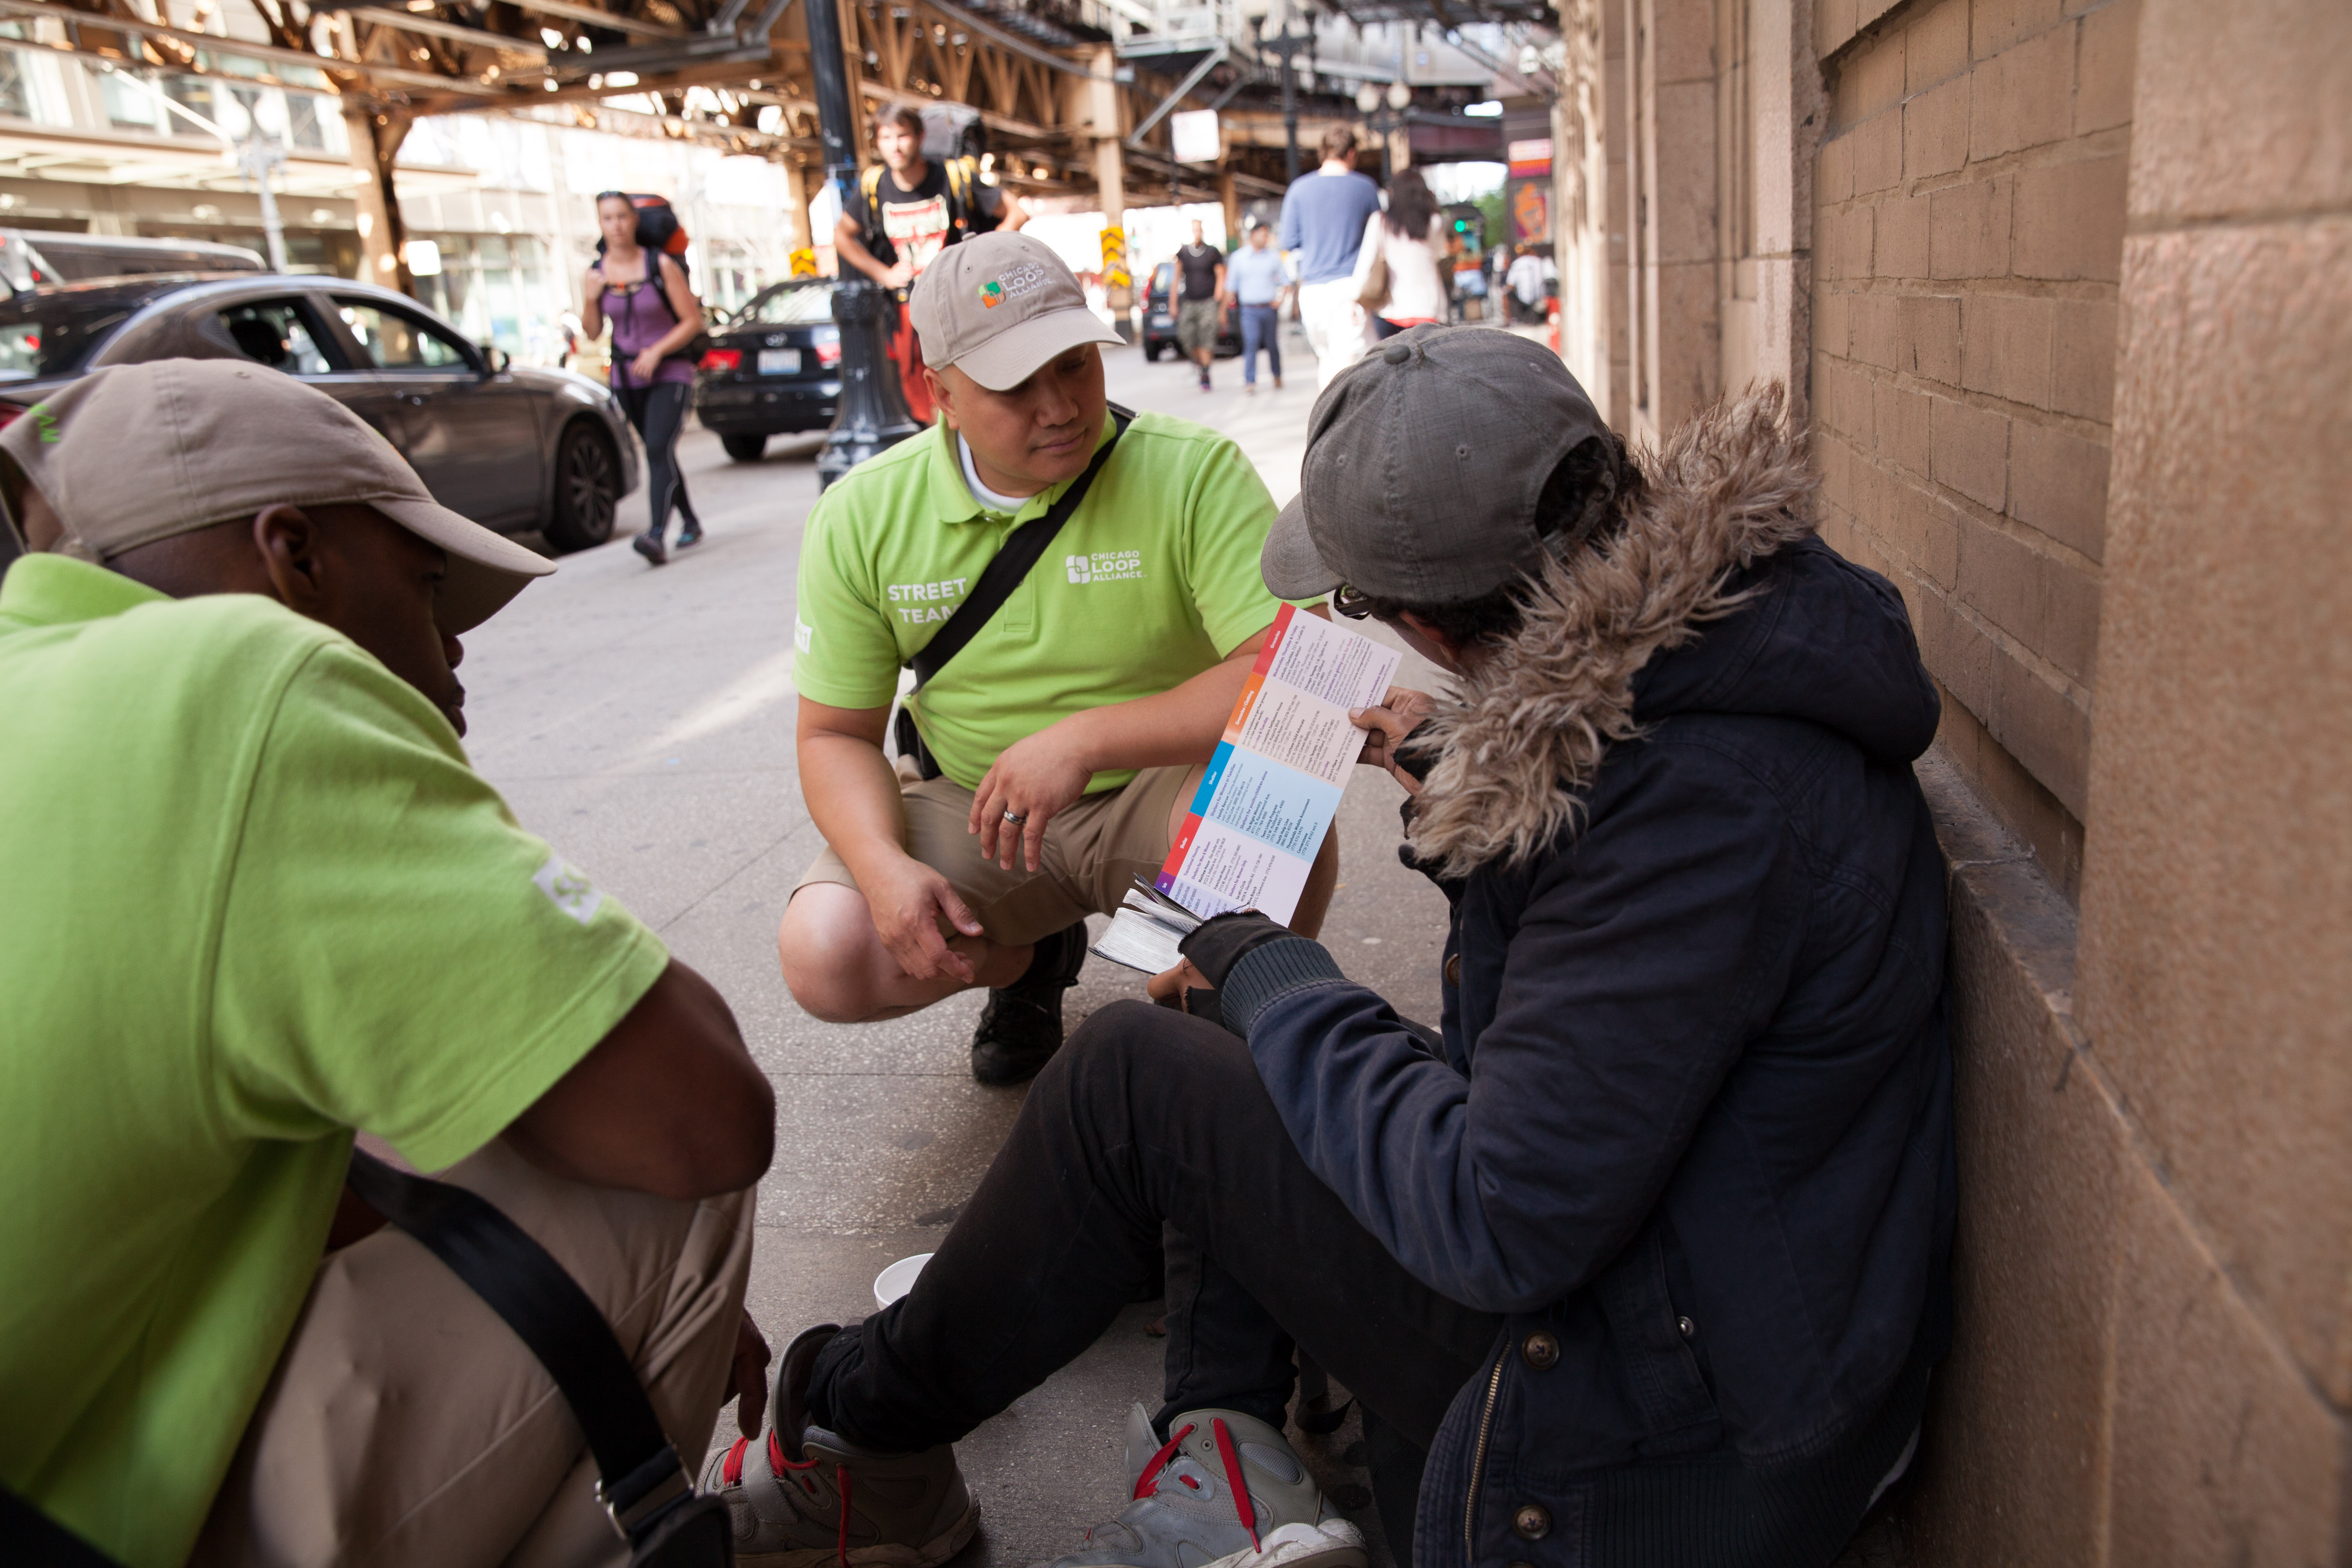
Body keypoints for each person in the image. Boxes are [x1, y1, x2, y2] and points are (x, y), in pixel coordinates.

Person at [711, 330, 1958, 1568]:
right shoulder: (1716, 661)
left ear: (1429, 620)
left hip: (1654, 1419)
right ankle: (1220, 1437)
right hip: (1679, 1293)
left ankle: (846, 1432)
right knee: (1211, 1049)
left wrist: (1269, 967)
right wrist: (1473, 751)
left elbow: (1497, 1216)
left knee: (1138, 1073)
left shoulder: (1691, 814)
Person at [0, 359, 778, 1568]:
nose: (455, 661)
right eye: (427, 592)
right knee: (654, 1190)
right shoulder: (236, 680)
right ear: (292, 558)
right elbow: (707, 1115)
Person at [774, 230, 1338, 1088]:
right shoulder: (861, 516)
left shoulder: (1192, 472)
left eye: (1076, 364)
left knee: (1283, 793)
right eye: (1016, 385)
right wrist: (884, 869)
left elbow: (1299, 672)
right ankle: (1027, 958)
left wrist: (1084, 742)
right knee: (826, 952)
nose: (1061, 406)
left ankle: (1214, 1007)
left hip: (1165, 788)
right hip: (978, 811)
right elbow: (833, 737)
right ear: (943, 396)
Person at [836, 103, 1028, 426]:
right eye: (885, 137)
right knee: (923, 393)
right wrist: (883, 274)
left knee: (969, 382)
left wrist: (976, 255)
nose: (895, 146)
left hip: (959, 300)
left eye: (903, 136)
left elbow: (1017, 212)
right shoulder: (874, 185)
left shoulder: (952, 177)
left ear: (920, 136)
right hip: (908, 307)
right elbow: (842, 236)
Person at [582, 191, 707, 567]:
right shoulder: (596, 273)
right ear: (600, 224)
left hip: (670, 371)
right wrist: (590, 299)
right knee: (661, 452)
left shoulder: (660, 265)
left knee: (656, 449)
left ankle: (655, 535)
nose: (616, 225)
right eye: (608, 218)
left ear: (634, 221)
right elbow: (590, 332)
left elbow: (692, 322)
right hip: (626, 376)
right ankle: (690, 519)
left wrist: (656, 351)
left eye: (622, 216)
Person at [1276, 125, 1383, 390]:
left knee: (1326, 359)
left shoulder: (1298, 190)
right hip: (1350, 288)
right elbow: (1379, 238)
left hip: (1312, 292)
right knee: (1350, 362)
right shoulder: (1366, 188)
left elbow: (1288, 243)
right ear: (1351, 153)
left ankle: (1329, 426)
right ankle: (1349, 428)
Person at [1350, 168, 1448, 340]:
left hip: (1391, 308)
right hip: (1428, 306)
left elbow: (1365, 263)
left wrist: (1354, 299)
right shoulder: (1435, 222)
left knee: (1391, 364)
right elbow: (1438, 254)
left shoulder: (1380, 222)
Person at [1224, 220, 1289, 393]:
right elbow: (1231, 287)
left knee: (1272, 344)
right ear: (1253, 235)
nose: (1266, 238)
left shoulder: (1273, 257)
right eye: (1263, 234)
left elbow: (1286, 282)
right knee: (1251, 343)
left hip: (1269, 308)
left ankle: (1277, 375)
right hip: (1249, 310)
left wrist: (1280, 299)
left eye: (1268, 234)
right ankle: (1250, 381)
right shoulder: (1239, 258)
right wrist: (1224, 311)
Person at [1172, 218, 1226, 392]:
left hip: (1208, 302)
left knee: (1207, 337)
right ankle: (1200, 363)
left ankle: (1205, 371)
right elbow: (1176, 278)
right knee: (1186, 336)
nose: (1197, 233)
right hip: (1189, 302)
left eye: (1199, 230)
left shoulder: (1212, 252)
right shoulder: (1184, 253)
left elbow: (1221, 276)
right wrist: (1173, 303)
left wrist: (1218, 300)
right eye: (1194, 230)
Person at [1506, 244, 1556, 323]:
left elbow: (1510, 284)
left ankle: (1513, 319)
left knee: (1509, 294)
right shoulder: (1539, 261)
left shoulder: (1517, 263)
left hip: (1523, 299)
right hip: (1540, 297)